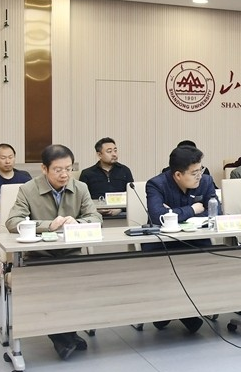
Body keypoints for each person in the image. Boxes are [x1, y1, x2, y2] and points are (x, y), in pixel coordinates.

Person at [5, 144, 103, 360]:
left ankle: (67, 335)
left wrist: (78, 222)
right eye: (58, 170)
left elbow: (96, 217)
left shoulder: (80, 188)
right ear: (44, 169)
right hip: (39, 257)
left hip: (71, 254)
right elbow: (12, 222)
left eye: (68, 169)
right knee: (50, 285)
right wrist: (47, 225)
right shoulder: (28, 189)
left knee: (77, 283)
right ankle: (64, 337)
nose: (65, 174)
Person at [145, 145, 221, 334]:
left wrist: (174, 213)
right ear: (178, 175)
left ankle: (178, 313)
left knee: (206, 263)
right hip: (162, 243)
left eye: (200, 170)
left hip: (196, 240)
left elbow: (215, 211)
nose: (199, 176)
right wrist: (193, 209)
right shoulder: (156, 184)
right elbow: (158, 217)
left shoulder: (206, 181)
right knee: (169, 268)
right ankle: (178, 313)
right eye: (194, 173)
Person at [79, 137, 134, 216]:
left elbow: (132, 196)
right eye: (109, 151)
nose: (114, 154)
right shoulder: (87, 173)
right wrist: (95, 210)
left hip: (121, 214)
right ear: (99, 155)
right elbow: (81, 200)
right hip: (95, 214)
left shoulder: (125, 171)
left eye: (115, 150)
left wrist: (120, 209)